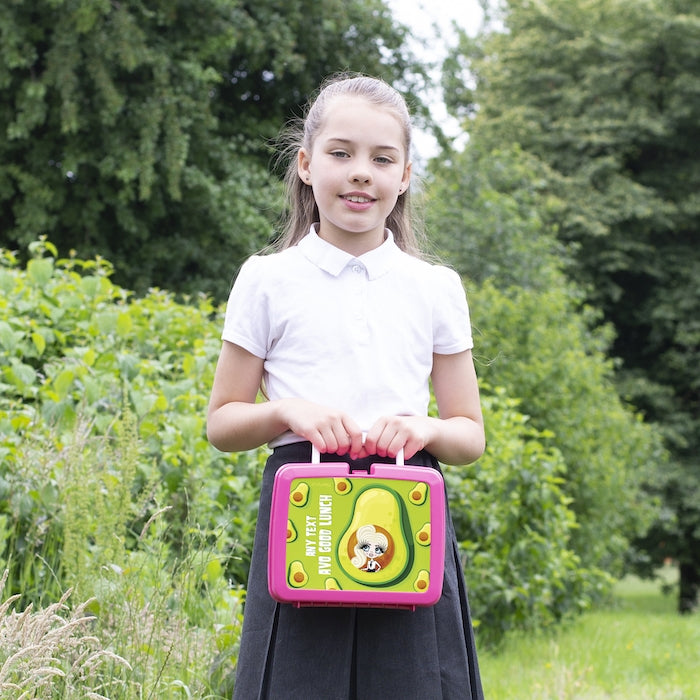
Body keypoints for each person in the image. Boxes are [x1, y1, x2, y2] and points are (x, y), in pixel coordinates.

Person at [207, 73, 486, 700]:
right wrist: (287, 411)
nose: (361, 172)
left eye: (382, 159)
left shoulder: (435, 288)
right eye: (341, 153)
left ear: (404, 176)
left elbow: (469, 435)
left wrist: (425, 429)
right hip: (304, 511)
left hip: (409, 509)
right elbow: (222, 423)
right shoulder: (266, 279)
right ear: (306, 165)